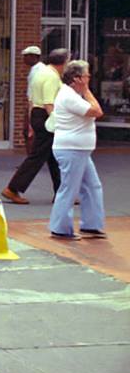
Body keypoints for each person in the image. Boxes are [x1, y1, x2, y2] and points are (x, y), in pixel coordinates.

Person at [47, 60, 106, 240]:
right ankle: (60, 228)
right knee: (69, 188)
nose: (89, 78)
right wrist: (87, 90)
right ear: (77, 78)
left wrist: (85, 90)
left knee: (92, 186)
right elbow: (97, 111)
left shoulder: (74, 94)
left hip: (80, 149)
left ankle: (91, 224)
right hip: (71, 149)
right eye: (87, 75)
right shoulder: (69, 96)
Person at [2, 48, 68, 204]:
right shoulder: (52, 77)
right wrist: (56, 121)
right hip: (46, 116)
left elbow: (32, 98)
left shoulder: (41, 73)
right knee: (37, 156)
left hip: (38, 114)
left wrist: (32, 119)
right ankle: (12, 188)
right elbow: (48, 102)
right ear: (63, 62)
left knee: (53, 156)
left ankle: (62, 191)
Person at [22, 45, 47, 151]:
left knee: (30, 133)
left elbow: (34, 92)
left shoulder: (38, 70)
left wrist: (30, 108)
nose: (24, 59)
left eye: (26, 56)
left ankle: (32, 158)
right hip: (35, 104)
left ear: (33, 56)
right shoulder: (36, 69)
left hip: (36, 105)